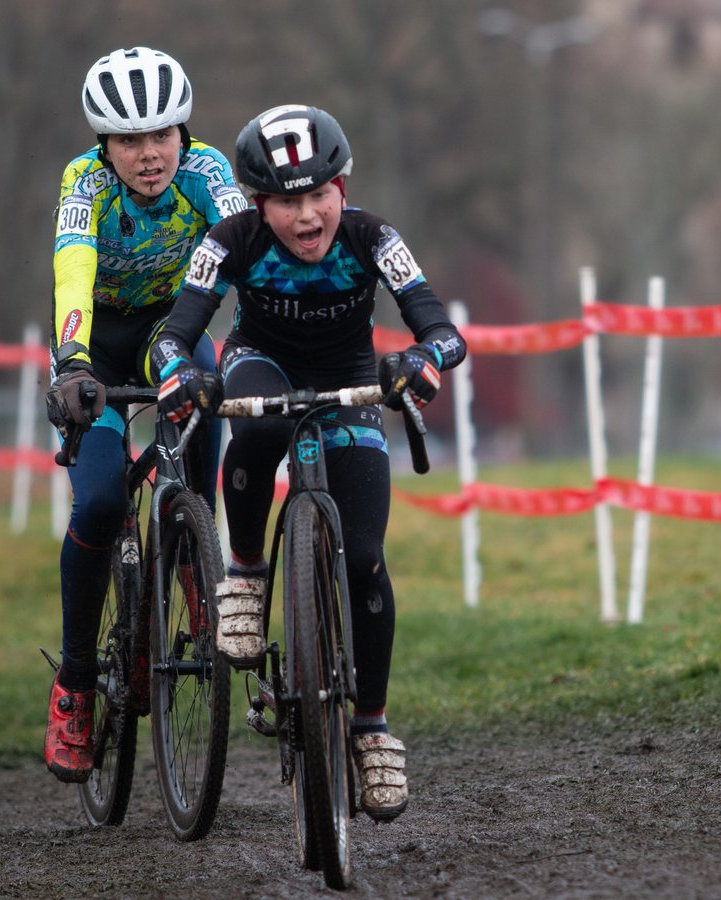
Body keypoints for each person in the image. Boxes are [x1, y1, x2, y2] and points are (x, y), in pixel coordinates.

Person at [151, 104, 467, 822]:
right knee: (254, 426)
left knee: (364, 560)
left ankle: (372, 728)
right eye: (286, 201)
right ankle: (248, 572)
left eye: (318, 194)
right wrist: (181, 374)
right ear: (258, 204)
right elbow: (173, 337)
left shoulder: (374, 237)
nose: (304, 216)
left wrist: (420, 358)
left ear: (343, 189)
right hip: (262, 363)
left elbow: (443, 329)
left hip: (349, 375)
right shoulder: (226, 239)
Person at [42, 47, 247, 784]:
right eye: (129, 140)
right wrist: (71, 364)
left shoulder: (208, 171)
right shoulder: (84, 183)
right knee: (97, 502)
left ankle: (196, 558)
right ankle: (73, 684)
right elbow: (73, 265)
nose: (148, 154)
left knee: (207, 382)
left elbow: (245, 249)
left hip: (171, 330)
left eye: (160, 134)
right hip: (95, 343)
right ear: (105, 144)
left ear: (181, 130)